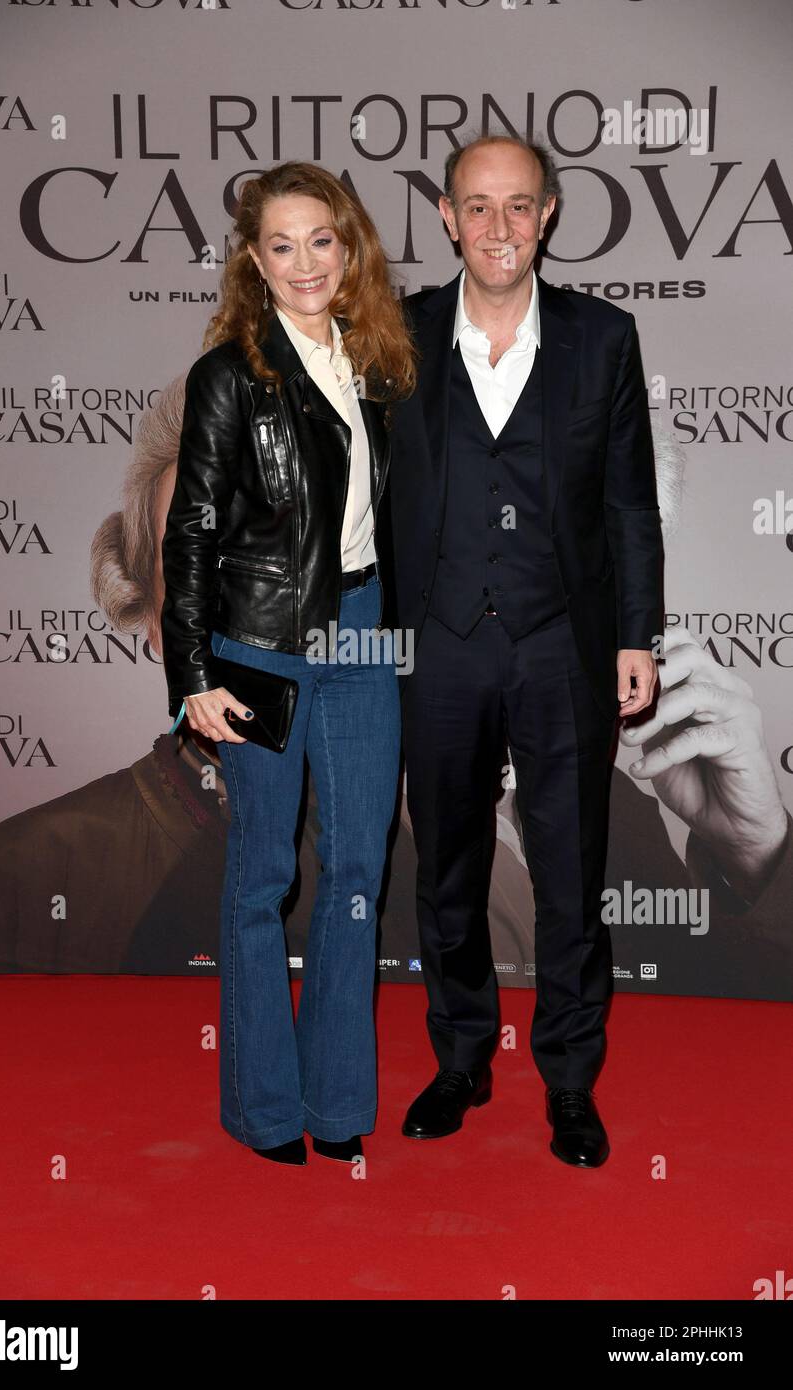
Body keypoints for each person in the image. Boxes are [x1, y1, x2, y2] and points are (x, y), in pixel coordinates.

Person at [384, 132, 664, 1167]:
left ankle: (567, 1079)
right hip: (440, 648)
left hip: (561, 648)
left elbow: (628, 504)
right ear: (447, 217)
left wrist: (636, 636)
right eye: (476, 206)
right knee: (446, 869)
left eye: (517, 206)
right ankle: (458, 1059)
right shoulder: (397, 337)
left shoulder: (601, 339)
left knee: (567, 873)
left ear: (545, 215)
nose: (497, 227)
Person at [159, 161, 416, 1166]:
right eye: (281, 244)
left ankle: (338, 1096)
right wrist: (191, 677)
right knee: (264, 874)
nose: (304, 261)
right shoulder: (230, 374)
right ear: (253, 261)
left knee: (357, 869)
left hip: (360, 631)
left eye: (321, 239)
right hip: (256, 647)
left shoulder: (382, 362)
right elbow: (188, 535)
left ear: (347, 247)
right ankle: (264, 1107)